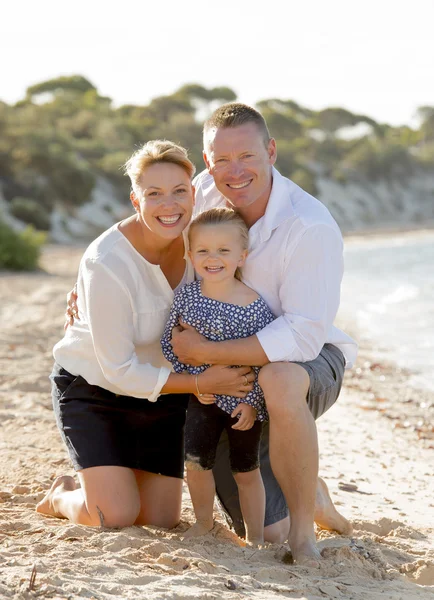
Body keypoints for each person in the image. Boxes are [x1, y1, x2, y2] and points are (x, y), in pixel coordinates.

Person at [169, 103, 358, 566]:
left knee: (279, 379)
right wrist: (88, 280)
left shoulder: (308, 226)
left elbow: (303, 336)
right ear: (207, 159)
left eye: (247, 156)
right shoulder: (202, 194)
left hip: (308, 360)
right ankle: (308, 489)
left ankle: (302, 535)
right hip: (223, 365)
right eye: (221, 159)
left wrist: (209, 353)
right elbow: (150, 231)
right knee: (262, 532)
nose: (233, 172)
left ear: (271, 151)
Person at [36, 140, 255, 529]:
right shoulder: (108, 262)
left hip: (162, 397)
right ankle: (62, 495)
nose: (169, 205)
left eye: (179, 192)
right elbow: (118, 369)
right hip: (96, 391)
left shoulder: (197, 243)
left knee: (159, 520)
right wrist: (202, 380)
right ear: (136, 201)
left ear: (193, 194)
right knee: (114, 514)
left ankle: (114, 480)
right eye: (154, 194)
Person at [161, 207, 275, 545]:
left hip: (244, 406)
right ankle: (203, 522)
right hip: (203, 398)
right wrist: (195, 380)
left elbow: (266, 362)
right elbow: (173, 344)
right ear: (190, 255)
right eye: (203, 251)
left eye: (223, 250)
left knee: (246, 471)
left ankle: (255, 537)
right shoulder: (187, 297)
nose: (213, 258)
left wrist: (254, 405)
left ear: (242, 256)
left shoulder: (255, 306)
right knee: (196, 464)